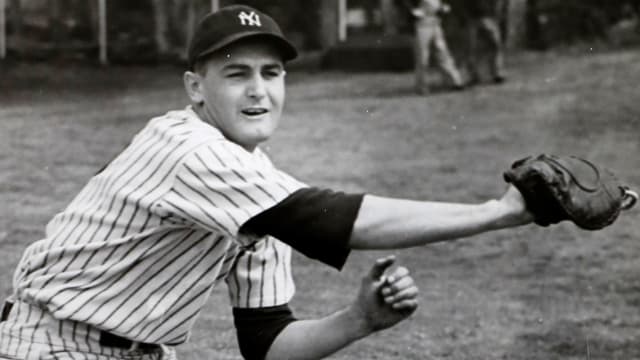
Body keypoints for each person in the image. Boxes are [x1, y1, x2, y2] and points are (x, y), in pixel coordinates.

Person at [0, 4, 532, 360]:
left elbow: (266, 340)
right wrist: (501, 212)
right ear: (195, 87)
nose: (258, 91)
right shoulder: (187, 147)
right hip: (46, 345)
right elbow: (330, 217)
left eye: (271, 73)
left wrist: (359, 319)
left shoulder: (261, 190)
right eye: (236, 74)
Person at [405, 0, 465, 94]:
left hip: (436, 24)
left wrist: (444, 8)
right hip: (422, 25)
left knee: (443, 53)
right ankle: (422, 87)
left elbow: (444, 6)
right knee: (422, 57)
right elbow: (406, 5)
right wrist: (412, 11)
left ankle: (456, 81)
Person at [465, 0, 508, 84]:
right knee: (473, 48)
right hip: (476, 18)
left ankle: (497, 74)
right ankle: (475, 75)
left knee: (494, 47)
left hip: (486, 17)